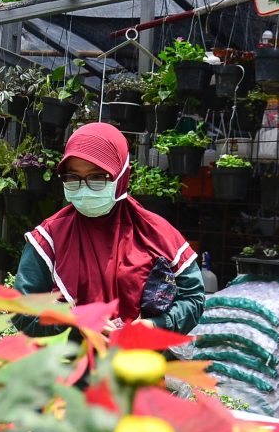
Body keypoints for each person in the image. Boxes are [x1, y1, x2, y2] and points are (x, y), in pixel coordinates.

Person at [12, 123, 205, 337]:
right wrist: (74, 322)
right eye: (73, 177)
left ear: (122, 177)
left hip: (138, 365)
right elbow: (21, 310)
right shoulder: (49, 237)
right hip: (70, 366)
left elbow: (193, 299)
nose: (84, 187)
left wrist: (156, 324)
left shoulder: (157, 233)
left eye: (97, 176)